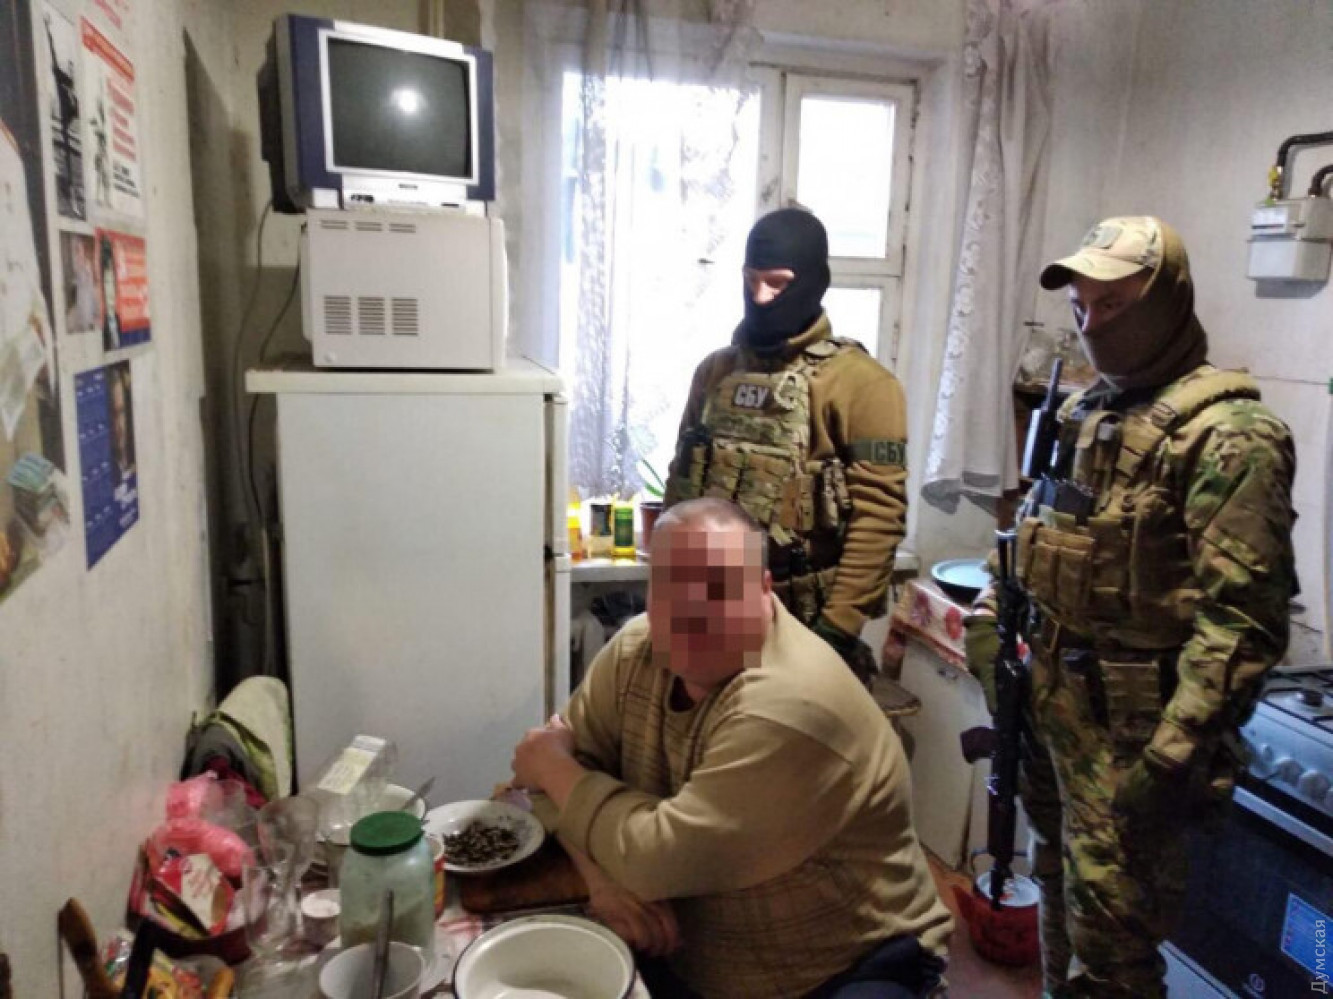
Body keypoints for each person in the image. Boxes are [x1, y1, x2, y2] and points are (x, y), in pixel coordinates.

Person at [963, 216, 1296, 998]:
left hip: (1132, 740)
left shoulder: (1228, 436)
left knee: (1113, 957)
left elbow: (1242, 624)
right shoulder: (1085, 413)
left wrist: (1169, 756)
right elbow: (1026, 537)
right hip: (1049, 713)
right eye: (1080, 306)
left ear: (1166, 300)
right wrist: (986, 617)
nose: (1090, 323)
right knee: (1053, 892)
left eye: (1111, 305)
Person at [512, 498, 952, 999]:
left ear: (764, 590)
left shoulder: (793, 703)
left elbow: (652, 860)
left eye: (719, 590)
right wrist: (602, 881)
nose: (690, 613)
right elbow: (540, 793)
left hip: (845, 965)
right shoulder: (634, 650)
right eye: (669, 587)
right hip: (689, 954)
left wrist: (552, 766)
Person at [662, 208, 908, 685]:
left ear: (814, 282)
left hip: (806, 627)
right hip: (707, 621)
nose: (760, 296)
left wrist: (836, 630)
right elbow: (682, 488)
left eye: (777, 284)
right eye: (750, 280)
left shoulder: (862, 384)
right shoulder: (714, 373)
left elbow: (879, 518)